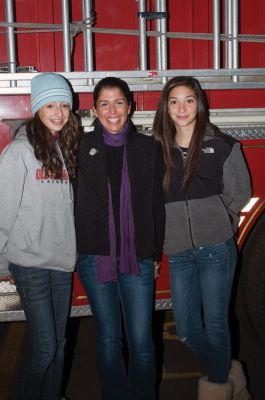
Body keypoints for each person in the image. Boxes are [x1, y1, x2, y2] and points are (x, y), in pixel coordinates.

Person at [153, 76, 252, 400]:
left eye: (189, 100)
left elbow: (241, 192)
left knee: (216, 323)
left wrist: (221, 216)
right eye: (174, 101)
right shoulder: (155, 150)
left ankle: (218, 388)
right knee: (186, 329)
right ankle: (228, 371)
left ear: (200, 103)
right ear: (165, 107)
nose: (182, 108)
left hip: (217, 250)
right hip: (179, 251)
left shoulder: (222, 144)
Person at [75, 77, 165, 400]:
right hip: (94, 257)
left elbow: (157, 205)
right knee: (109, 337)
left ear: (130, 106)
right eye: (104, 103)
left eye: (119, 102)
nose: (112, 110)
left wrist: (154, 253)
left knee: (141, 340)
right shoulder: (81, 147)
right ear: (94, 110)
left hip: (137, 256)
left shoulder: (148, 148)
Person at [0, 72, 80, 400]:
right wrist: (2, 262)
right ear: (37, 107)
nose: (59, 111)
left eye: (64, 104)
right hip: (30, 263)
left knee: (59, 345)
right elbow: (3, 211)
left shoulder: (62, 148)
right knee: (45, 348)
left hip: (61, 262)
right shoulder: (18, 152)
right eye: (50, 104)